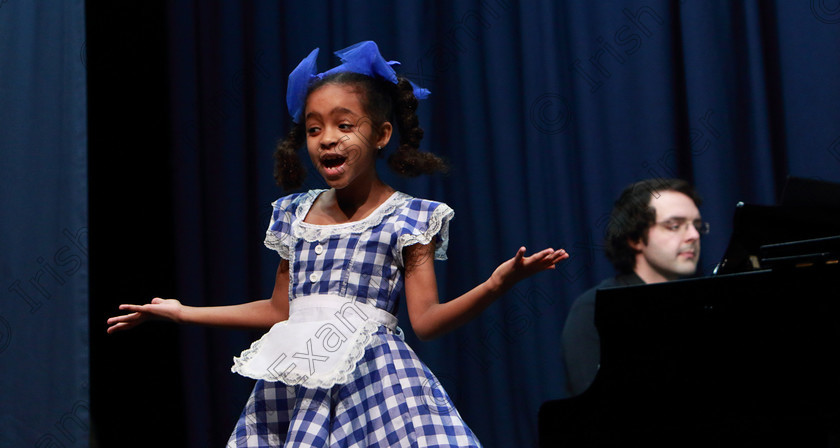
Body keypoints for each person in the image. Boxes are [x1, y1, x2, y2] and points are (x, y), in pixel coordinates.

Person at [107, 41, 569, 447]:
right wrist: (183, 312)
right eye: (313, 129)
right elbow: (279, 309)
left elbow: (426, 321)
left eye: (344, 126)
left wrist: (495, 284)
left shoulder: (408, 217)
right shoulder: (294, 214)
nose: (327, 138)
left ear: (381, 135)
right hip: (299, 387)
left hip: (377, 386)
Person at [560, 178, 706, 397]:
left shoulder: (701, 306)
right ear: (635, 238)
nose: (693, 236)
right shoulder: (594, 309)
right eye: (674, 226)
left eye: (696, 226)